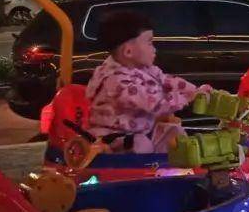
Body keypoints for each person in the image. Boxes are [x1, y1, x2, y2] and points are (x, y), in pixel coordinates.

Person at [86, 10, 210, 154]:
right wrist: (187, 98)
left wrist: (194, 90)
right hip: (112, 137)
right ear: (128, 52)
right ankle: (145, 167)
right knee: (140, 144)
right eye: (149, 43)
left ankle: (175, 163)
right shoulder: (116, 81)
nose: (154, 49)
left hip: (140, 131)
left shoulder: (145, 69)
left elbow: (168, 81)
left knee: (174, 131)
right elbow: (155, 104)